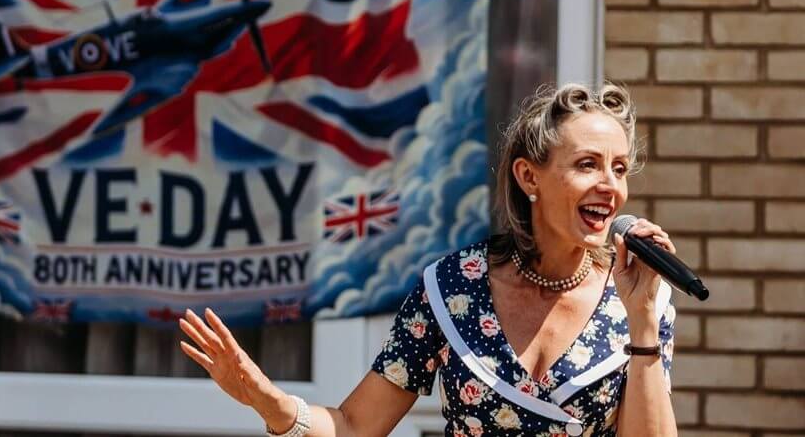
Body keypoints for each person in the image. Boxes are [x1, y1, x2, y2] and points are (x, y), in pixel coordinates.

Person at [178, 82, 678, 437]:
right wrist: (271, 402)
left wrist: (642, 322)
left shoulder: (640, 302)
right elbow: (355, 425)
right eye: (588, 165)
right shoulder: (453, 287)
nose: (610, 185)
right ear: (529, 177)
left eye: (619, 169)